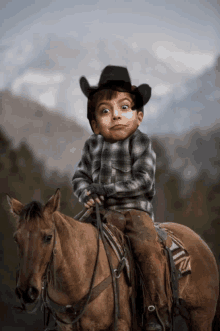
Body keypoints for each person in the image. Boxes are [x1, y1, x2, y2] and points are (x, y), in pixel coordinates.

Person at [72, 65, 170, 331]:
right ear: (94, 122)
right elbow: (79, 176)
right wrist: (86, 194)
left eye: (123, 108)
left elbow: (144, 180)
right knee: (66, 245)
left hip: (132, 214)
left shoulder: (140, 142)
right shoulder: (92, 145)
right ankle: (66, 310)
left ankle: (154, 311)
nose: (115, 116)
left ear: (138, 117)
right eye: (105, 110)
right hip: (100, 215)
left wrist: (109, 189)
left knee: (148, 250)